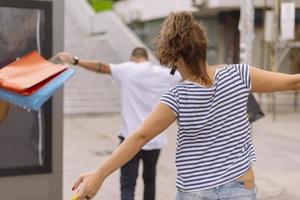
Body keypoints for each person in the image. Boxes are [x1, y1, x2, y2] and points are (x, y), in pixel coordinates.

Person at [71, 11, 300, 200]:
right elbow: (294, 82)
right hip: (240, 186)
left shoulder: (177, 96)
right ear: (202, 46)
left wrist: (99, 174)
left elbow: (139, 137)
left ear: (174, 57)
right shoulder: (239, 75)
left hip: (195, 191)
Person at [56, 47, 181, 200]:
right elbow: (189, 75)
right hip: (154, 139)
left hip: (129, 141)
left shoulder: (126, 69)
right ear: (146, 57)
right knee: (150, 180)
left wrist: (75, 61)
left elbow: (101, 67)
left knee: (127, 185)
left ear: (132, 58)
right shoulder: (164, 74)